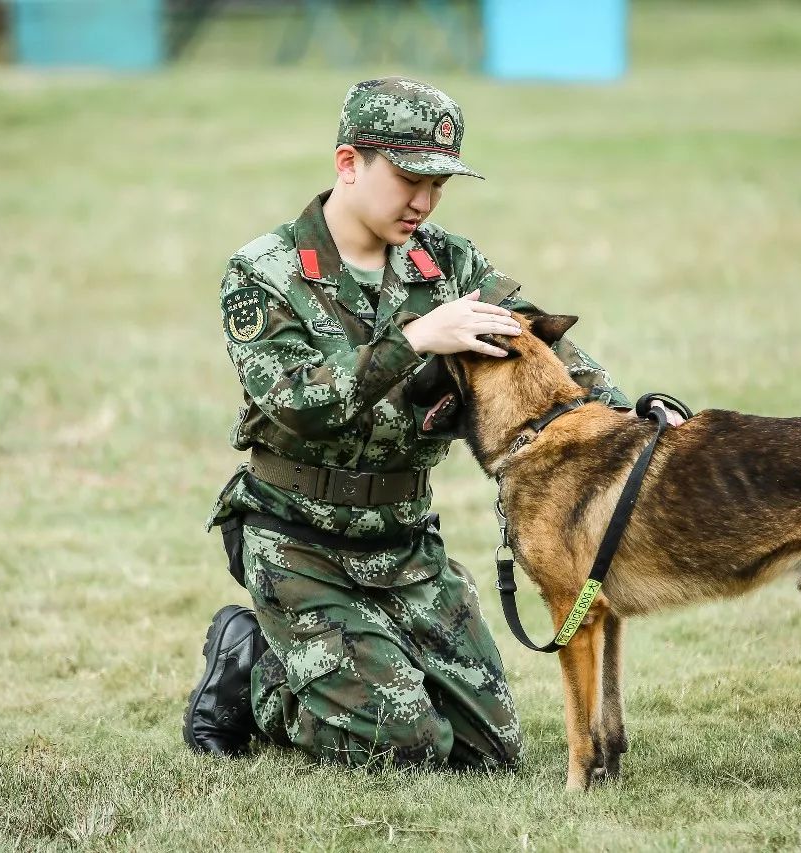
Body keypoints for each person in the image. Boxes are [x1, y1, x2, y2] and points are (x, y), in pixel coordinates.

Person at [183, 76, 659, 772]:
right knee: (403, 744)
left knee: (489, 754)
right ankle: (256, 669)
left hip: (405, 544)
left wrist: (634, 414)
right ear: (350, 164)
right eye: (409, 178)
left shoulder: (449, 264)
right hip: (299, 542)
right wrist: (418, 336)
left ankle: (362, 654)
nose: (426, 201)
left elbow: (541, 350)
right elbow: (295, 401)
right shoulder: (265, 272)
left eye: (439, 184)